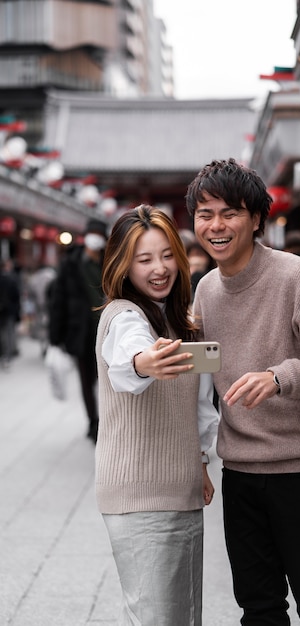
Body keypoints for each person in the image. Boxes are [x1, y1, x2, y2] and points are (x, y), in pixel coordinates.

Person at [185, 158, 300, 626]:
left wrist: (280, 376)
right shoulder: (204, 290)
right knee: (258, 608)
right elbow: (203, 381)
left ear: (257, 218)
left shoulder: (299, 278)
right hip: (240, 474)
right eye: (205, 214)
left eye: (230, 213)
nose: (216, 226)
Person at [95, 205, 218, 626]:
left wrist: (201, 462)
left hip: (181, 490)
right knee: (158, 617)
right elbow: (127, 363)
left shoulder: (181, 321)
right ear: (122, 265)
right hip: (141, 496)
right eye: (144, 259)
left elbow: (200, 404)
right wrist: (144, 363)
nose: (159, 268)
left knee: (184, 614)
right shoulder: (123, 316)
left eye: (167, 255)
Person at [48, 218, 107, 442]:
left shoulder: (108, 261)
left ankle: (108, 419)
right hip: (81, 330)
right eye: (91, 233)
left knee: (107, 378)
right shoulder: (71, 263)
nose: (94, 238)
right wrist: (55, 337)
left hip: (107, 330)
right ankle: (93, 421)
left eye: (98, 234)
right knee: (86, 378)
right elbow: (58, 300)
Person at [0, 259, 21, 367]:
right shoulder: (12, 279)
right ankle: (8, 354)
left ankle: (5, 354)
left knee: (4, 333)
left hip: (4, 310)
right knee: (9, 332)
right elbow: (16, 297)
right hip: (9, 310)